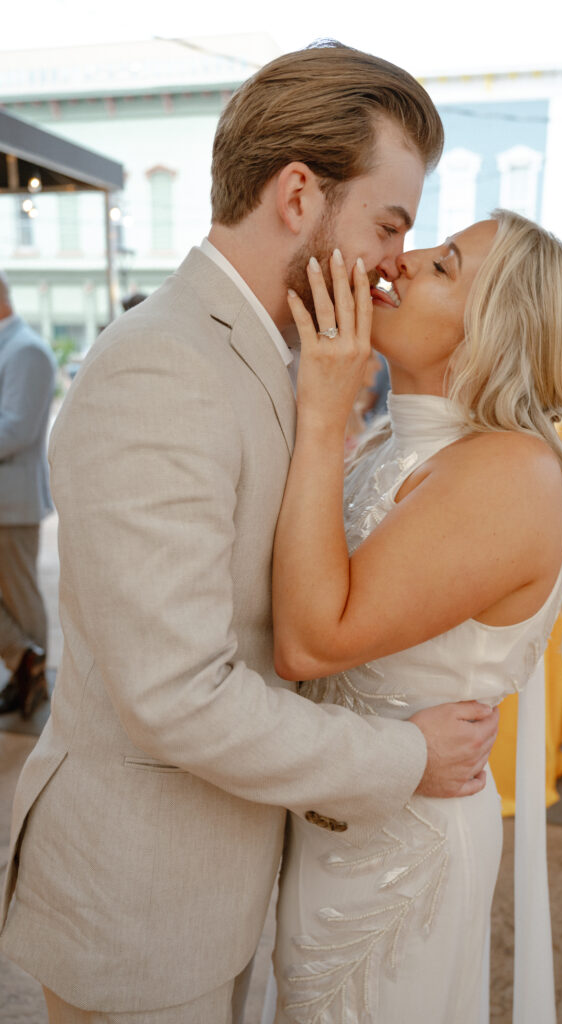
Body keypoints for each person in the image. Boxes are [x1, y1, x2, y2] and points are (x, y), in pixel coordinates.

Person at [0, 43, 501, 1024]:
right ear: (299, 194)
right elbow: (179, 693)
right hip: (141, 913)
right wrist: (402, 756)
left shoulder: (281, 356)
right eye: (389, 222)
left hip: (227, 885)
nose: (397, 259)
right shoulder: (162, 369)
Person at [267, 210, 562, 1023]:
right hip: (343, 812)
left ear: (492, 335)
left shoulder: (510, 472)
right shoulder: (400, 442)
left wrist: (325, 406)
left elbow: (310, 640)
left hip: (401, 853)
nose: (407, 257)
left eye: (444, 266)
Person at [0, 270, 55, 719]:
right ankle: (22, 661)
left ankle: (30, 676)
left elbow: (15, 429)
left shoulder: (26, 350)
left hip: (11, 502)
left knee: (20, 594)